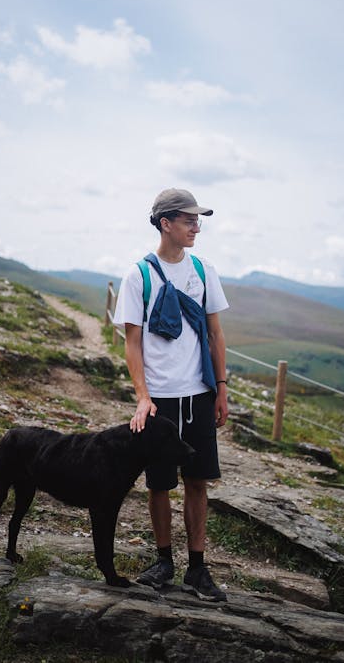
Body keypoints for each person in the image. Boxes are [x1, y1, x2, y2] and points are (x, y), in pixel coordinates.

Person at [113, 187, 229, 601]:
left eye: (199, 220)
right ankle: (164, 561)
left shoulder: (203, 270)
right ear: (166, 223)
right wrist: (143, 396)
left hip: (199, 392)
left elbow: (215, 334)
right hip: (159, 398)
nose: (197, 226)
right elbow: (132, 342)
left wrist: (221, 388)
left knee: (198, 481)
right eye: (189, 220)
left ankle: (197, 569)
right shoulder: (137, 276)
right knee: (159, 483)